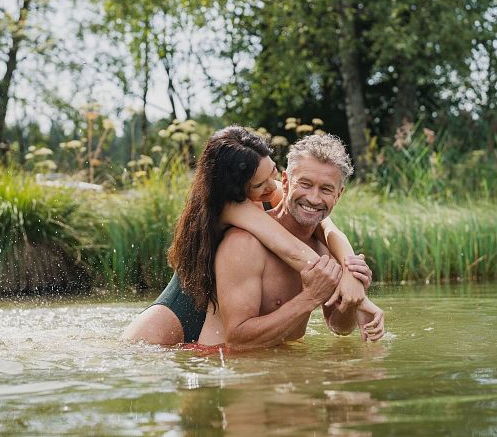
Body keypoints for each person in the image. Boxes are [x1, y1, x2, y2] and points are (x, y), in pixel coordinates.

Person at [122, 126, 376, 345]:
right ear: (240, 189)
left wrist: (351, 279)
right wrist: (327, 285)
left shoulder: (292, 203)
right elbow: (291, 250)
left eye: (273, 172)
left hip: (241, 342)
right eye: (260, 183)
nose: (273, 185)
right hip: (165, 330)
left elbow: (330, 230)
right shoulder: (233, 215)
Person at [196, 133, 385, 348]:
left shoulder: (326, 249)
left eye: (326, 189)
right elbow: (237, 340)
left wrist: (353, 299)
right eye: (305, 184)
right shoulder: (244, 243)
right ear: (285, 182)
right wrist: (309, 298)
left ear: (338, 195)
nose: (313, 198)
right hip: (226, 367)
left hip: (286, 370)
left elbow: (339, 328)